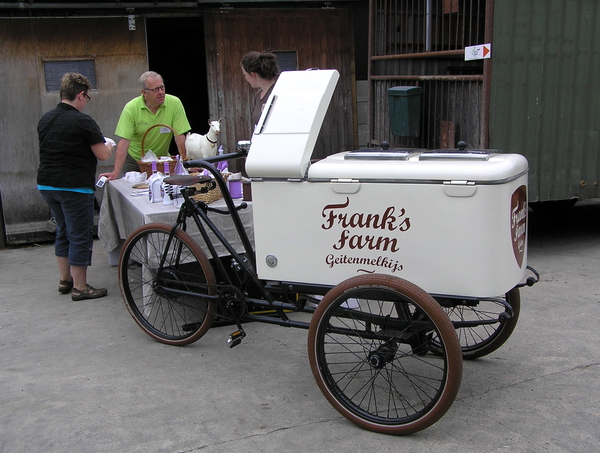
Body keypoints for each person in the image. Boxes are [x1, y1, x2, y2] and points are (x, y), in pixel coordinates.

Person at [37, 72, 115, 301]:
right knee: (80, 234)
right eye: (87, 97)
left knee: (63, 231)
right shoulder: (83, 121)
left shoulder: (46, 119)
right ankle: (80, 287)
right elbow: (102, 154)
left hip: (47, 185)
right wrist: (109, 145)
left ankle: (65, 280)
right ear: (81, 95)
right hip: (74, 187)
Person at [101, 71, 191, 179]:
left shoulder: (175, 103)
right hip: (135, 162)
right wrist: (115, 172)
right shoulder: (131, 108)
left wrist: (185, 163)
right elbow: (124, 143)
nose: (161, 92)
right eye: (156, 89)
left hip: (162, 162)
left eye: (162, 87)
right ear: (144, 92)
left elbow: (179, 136)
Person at [240, 51, 280, 131]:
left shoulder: (278, 93)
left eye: (245, 75)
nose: (245, 78)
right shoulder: (258, 95)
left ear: (253, 74)